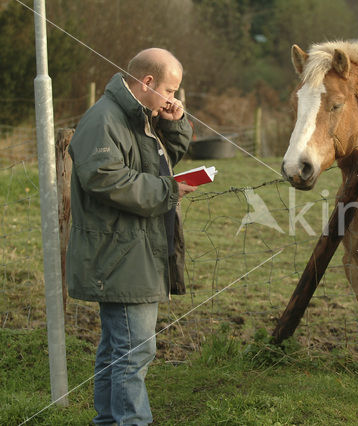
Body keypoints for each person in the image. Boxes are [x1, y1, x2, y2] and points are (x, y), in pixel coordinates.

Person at [66, 48, 197, 425]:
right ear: (148, 82)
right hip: (120, 255)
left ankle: (109, 420)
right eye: (171, 91)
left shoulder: (137, 116)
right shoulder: (104, 119)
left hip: (134, 252)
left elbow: (159, 162)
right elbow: (105, 179)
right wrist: (168, 190)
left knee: (119, 350)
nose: (173, 99)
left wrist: (172, 123)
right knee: (133, 351)